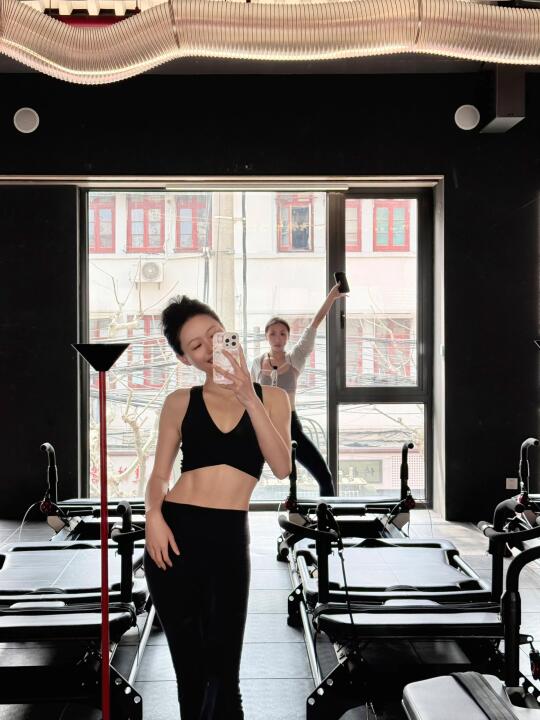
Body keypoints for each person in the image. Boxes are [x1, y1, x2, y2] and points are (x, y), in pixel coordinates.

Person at [144, 296, 291, 720]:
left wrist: (248, 396)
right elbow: (159, 476)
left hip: (228, 539)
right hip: (174, 537)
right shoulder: (179, 402)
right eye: (196, 346)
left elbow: (282, 467)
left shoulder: (273, 399)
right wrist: (153, 517)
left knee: (224, 674)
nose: (209, 348)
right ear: (185, 359)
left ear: (228, 331)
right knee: (190, 676)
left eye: (213, 335)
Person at [250, 283, 347, 497]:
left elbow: (314, 324)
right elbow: (247, 396)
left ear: (288, 337)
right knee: (244, 476)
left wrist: (331, 297)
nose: (278, 338)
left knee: (324, 476)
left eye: (282, 334)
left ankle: (326, 515)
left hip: (289, 424)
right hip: (262, 424)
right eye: (273, 334)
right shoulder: (257, 363)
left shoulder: (296, 358)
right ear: (266, 336)